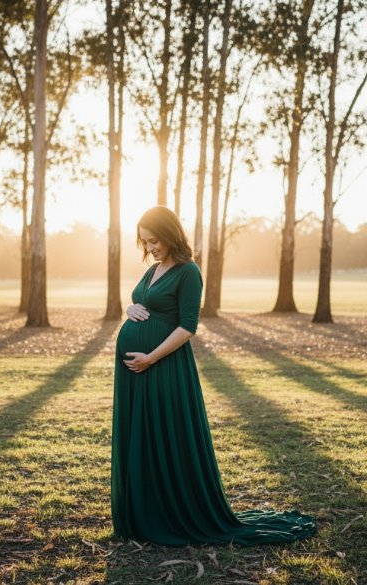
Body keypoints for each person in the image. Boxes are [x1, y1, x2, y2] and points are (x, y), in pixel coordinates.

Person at [111, 206, 316, 546]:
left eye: (155, 241)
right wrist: (129, 308)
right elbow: (141, 303)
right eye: (145, 243)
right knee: (141, 437)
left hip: (164, 368)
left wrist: (150, 357)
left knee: (166, 437)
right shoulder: (154, 269)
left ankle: (169, 513)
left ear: (171, 234)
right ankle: (142, 513)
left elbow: (188, 327)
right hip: (137, 373)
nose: (150, 248)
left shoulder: (188, 272)